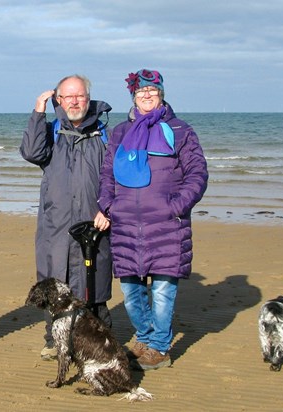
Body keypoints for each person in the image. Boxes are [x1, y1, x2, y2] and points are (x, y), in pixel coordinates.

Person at [98, 68, 208, 370]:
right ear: (133, 96)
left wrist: (177, 206)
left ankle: (160, 347)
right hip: (125, 225)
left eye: (152, 90)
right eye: (141, 91)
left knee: (162, 289)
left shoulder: (181, 130)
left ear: (161, 94)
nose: (146, 95)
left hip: (166, 224)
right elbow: (107, 174)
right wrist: (108, 204)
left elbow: (197, 174)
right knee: (131, 291)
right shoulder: (120, 132)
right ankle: (144, 338)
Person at [20, 75, 113, 360]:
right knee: (56, 285)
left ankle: (100, 342)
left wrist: (109, 210)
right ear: (58, 100)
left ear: (89, 98)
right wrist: (38, 111)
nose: (75, 101)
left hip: (94, 226)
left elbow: (116, 178)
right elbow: (31, 152)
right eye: (68, 96)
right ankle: (55, 341)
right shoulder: (51, 131)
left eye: (80, 96)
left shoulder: (105, 135)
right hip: (55, 226)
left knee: (93, 287)